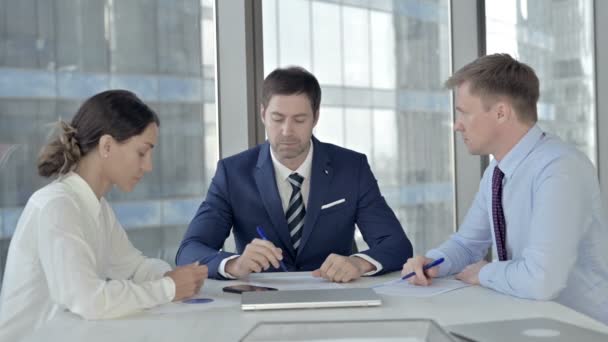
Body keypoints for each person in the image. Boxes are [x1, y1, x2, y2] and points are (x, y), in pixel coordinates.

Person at [401, 54, 608, 324]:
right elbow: (467, 245)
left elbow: (542, 280)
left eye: (463, 112)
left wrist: (484, 273)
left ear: (501, 112)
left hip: (583, 329)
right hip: (532, 321)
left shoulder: (560, 168)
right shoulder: (497, 173)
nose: (456, 125)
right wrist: (431, 263)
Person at [0, 90, 208, 341]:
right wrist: (168, 288)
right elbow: (89, 300)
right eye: (142, 152)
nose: (148, 166)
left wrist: (173, 276)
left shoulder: (95, 206)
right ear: (106, 146)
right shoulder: (57, 207)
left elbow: (133, 267)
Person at [176, 66, 412, 282]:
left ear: (315, 117)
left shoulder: (352, 168)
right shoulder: (232, 173)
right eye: (277, 119)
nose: (287, 131)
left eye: (299, 120)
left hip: (335, 297)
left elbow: (397, 245)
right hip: (260, 299)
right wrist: (235, 264)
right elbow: (189, 250)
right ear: (263, 115)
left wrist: (358, 264)